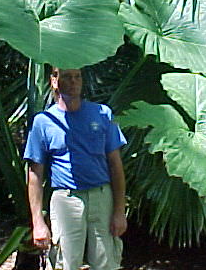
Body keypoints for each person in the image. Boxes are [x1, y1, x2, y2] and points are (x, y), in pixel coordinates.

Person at [24, 67, 127, 270]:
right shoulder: (44, 122)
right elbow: (35, 174)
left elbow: (115, 165)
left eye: (78, 76)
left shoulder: (102, 113)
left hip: (102, 197)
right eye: (67, 77)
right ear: (54, 81)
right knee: (65, 264)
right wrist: (37, 222)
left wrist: (119, 211)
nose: (74, 81)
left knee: (107, 263)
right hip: (66, 200)